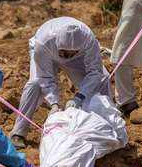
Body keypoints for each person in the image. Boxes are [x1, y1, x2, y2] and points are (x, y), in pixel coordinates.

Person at [10, 17, 111, 149]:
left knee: (103, 80)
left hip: (78, 58)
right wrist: (54, 103)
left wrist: (80, 97)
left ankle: (106, 125)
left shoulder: (89, 40)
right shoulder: (44, 42)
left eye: (70, 53)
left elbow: (95, 72)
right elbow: (44, 77)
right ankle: (18, 132)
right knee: (35, 84)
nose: (66, 56)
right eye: (64, 52)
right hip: (47, 54)